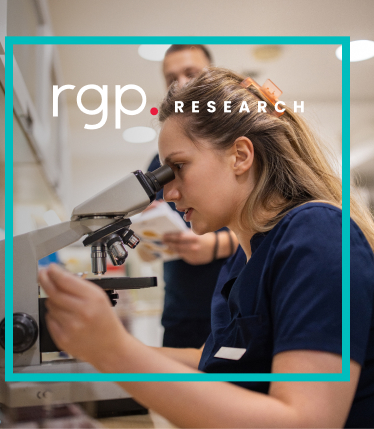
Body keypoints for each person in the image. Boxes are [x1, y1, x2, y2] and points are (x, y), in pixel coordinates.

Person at [39, 67, 374, 428]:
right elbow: (214, 358)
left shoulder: (318, 235)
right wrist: (97, 347)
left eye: (178, 167)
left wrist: (116, 354)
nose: (168, 193)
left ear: (240, 156)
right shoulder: (241, 259)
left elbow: (305, 421)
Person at [139, 44, 239, 348]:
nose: (180, 83)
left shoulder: (235, 143)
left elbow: (264, 221)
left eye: (190, 73)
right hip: (181, 315)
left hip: (231, 308)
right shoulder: (158, 163)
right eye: (171, 77)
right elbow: (146, 252)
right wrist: (148, 239)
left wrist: (213, 246)